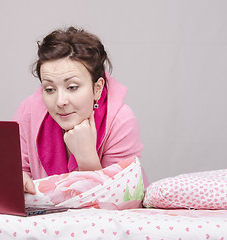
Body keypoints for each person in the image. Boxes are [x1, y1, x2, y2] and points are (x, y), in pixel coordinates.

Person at [13, 27, 146, 195]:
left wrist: (87, 158)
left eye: (72, 87)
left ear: (97, 88)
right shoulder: (28, 114)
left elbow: (124, 198)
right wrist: (18, 180)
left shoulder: (121, 121)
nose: (60, 101)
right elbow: (14, 170)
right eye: (49, 89)